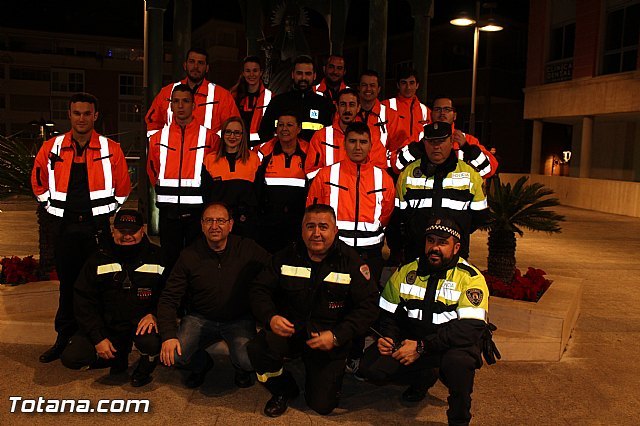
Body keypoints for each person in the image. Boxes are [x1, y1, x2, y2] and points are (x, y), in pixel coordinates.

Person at [247, 204, 379, 417]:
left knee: (322, 405)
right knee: (257, 349)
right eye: (310, 226)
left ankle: (321, 373)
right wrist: (270, 317)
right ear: (302, 230)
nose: (316, 233)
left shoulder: (351, 261)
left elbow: (369, 306)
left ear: (335, 230)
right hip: (291, 330)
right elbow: (258, 289)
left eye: (323, 227)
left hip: (329, 338)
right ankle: (282, 388)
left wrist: (338, 336)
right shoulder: (286, 256)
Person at [359, 217, 491, 426]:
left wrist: (422, 347)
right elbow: (387, 312)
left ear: (456, 247)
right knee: (371, 368)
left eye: (442, 242)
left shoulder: (470, 278)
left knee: (459, 363)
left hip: (449, 345)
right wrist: (388, 336)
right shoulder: (406, 271)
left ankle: (459, 418)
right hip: (413, 341)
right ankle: (423, 377)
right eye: (430, 241)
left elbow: (470, 328)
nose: (434, 248)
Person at [31, 92, 131, 363]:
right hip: (65, 229)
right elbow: (38, 181)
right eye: (77, 113)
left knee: (99, 286)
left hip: (96, 230)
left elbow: (123, 189)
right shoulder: (52, 147)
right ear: (70, 115)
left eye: (87, 113)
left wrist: (105, 215)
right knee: (67, 287)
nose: (82, 118)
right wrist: (51, 210)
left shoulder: (111, 149)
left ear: (95, 116)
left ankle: (98, 339)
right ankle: (64, 338)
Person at [157, 202, 270, 389]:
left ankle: (240, 368)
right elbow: (169, 297)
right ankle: (202, 365)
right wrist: (168, 335)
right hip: (200, 318)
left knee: (248, 361)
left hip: (238, 319)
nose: (214, 226)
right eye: (209, 220)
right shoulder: (189, 255)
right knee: (175, 354)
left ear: (230, 224)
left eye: (220, 220)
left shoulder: (247, 249)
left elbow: (273, 269)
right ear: (201, 225)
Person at [60, 209, 164, 387]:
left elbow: (169, 294)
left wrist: (154, 314)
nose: (127, 236)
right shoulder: (98, 258)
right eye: (122, 231)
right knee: (73, 357)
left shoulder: (159, 257)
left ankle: (147, 363)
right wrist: (97, 337)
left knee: (151, 343)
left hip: (140, 324)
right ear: (113, 231)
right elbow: (83, 300)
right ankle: (114, 358)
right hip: (106, 324)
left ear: (142, 230)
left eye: (132, 231)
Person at [306, 122, 394, 287]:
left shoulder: (383, 178)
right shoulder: (326, 175)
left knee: (367, 299)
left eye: (363, 142)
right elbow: (312, 211)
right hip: (335, 251)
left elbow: (386, 214)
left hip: (371, 253)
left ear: (370, 145)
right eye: (352, 141)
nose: (358, 147)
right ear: (344, 144)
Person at [391, 122, 488, 262]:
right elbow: (399, 216)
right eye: (431, 142)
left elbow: (480, 216)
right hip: (416, 254)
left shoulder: (469, 173)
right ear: (424, 143)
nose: (436, 146)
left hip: (455, 256)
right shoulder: (408, 173)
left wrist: (456, 232)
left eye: (441, 141)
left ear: (451, 141)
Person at [147, 84, 219, 270]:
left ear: (194, 105)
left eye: (186, 101)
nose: (180, 105)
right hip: (168, 213)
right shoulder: (157, 139)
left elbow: (215, 174)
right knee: (170, 265)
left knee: (198, 264)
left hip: (197, 214)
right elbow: (152, 170)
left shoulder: (209, 138)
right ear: (170, 105)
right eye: (176, 101)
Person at [392, 96, 498, 179]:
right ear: (431, 114)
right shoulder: (418, 138)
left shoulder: (467, 140)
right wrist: (420, 147)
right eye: (438, 109)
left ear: (455, 115)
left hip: (457, 200)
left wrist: (466, 148)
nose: (442, 113)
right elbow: (396, 165)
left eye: (447, 109)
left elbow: (489, 169)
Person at [145, 48, 239, 137]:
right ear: (185, 65)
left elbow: (234, 128)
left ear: (207, 68)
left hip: (209, 153)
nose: (195, 66)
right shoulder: (166, 93)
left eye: (200, 63)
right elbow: (153, 125)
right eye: (192, 61)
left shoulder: (222, 96)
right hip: (174, 153)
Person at [254, 112, 309, 253]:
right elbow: (255, 188)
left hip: (298, 222)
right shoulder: (263, 151)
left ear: (299, 129)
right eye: (281, 125)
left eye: (289, 125)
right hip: (269, 222)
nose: (284, 129)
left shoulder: (309, 152)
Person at [305, 87, 387, 179]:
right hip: (329, 192)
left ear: (358, 107)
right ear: (337, 107)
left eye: (351, 105)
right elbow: (311, 172)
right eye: (343, 104)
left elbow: (379, 171)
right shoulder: (321, 137)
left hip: (361, 191)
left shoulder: (370, 136)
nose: (347, 110)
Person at [202, 117, 261, 238]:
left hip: (246, 221)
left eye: (237, 133)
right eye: (228, 132)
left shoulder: (254, 159)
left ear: (243, 135)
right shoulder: (210, 160)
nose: (232, 136)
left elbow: (258, 193)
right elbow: (206, 194)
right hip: (218, 222)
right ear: (223, 134)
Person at [258, 55, 335, 143]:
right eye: (299, 73)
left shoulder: (323, 104)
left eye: (308, 74)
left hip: (313, 155)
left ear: (314, 76)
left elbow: (330, 137)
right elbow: (264, 133)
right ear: (292, 74)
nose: (303, 78)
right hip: (282, 155)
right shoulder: (278, 102)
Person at [357, 70, 407, 158]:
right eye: (364, 85)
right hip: (352, 169)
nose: (368, 89)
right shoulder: (349, 114)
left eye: (372, 85)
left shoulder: (391, 116)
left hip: (382, 169)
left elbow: (399, 149)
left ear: (378, 89)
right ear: (358, 88)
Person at [231, 56, 273, 146]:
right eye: (248, 71)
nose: (251, 74)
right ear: (243, 73)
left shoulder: (270, 97)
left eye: (255, 71)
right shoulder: (233, 96)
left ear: (261, 72)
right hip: (238, 146)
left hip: (261, 147)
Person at [382, 67, 431, 144]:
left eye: (411, 83)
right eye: (404, 83)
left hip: (419, 155)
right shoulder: (385, 106)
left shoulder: (426, 111)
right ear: (398, 85)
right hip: (392, 155)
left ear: (417, 85)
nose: (408, 87)